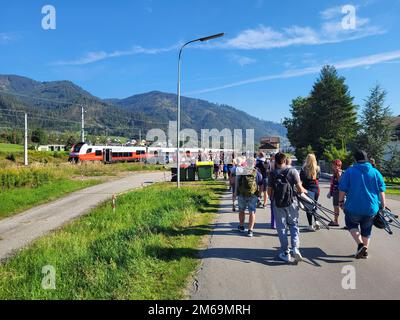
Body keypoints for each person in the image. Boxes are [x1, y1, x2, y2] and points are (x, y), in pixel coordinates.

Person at [339, 150, 386, 259]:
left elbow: (342, 189)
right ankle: (364, 252)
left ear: (355, 159)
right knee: (366, 230)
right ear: (367, 159)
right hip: (371, 208)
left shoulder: (349, 171)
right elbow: (381, 190)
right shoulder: (375, 172)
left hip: (353, 207)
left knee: (351, 224)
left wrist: (341, 202)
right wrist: (383, 205)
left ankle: (360, 245)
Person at [268, 153, 307, 263]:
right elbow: (300, 189)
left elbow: (269, 191)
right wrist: (305, 191)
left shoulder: (272, 173)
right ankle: (295, 248)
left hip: (278, 203)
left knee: (281, 227)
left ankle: (286, 252)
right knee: (294, 225)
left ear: (275, 161)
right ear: (285, 161)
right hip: (291, 202)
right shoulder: (293, 171)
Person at [235, 158, 263, 237]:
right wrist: (259, 195)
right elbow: (261, 184)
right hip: (253, 195)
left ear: (246, 163)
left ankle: (241, 226)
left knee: (241, 210)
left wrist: (235, 194)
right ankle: (250, 230)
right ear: (254, 163)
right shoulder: (257, 172)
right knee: (252, 212)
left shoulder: (242, 171)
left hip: (242, 194)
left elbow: (237, 183)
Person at [300, 154, 321, 231]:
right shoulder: (318, 168)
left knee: (308, 207)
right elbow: (318, 177)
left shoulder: (304, 169)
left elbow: (301, 179)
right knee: (314, 206)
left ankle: (310, 225)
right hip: (316, 189)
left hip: (307, 190)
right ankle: (317, 221)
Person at [328, 159, 342, 227]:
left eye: (333, 165)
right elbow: (333, 183)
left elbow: (340, 182)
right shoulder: (335, 172)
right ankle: (335, 221)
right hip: (336, 192)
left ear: (337, 165)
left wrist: (338, 172)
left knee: (337, 207)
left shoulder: (338, 172)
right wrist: (330, 192)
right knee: (338, 207)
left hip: (338, 192)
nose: (332, 166)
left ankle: (336, 221)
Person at [268, 154, 276, 229]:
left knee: (273, 209)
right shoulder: (285, 170)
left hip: (273, 192)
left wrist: (269, 195)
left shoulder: (271, 173)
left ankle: (273, 224)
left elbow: (269, 186)